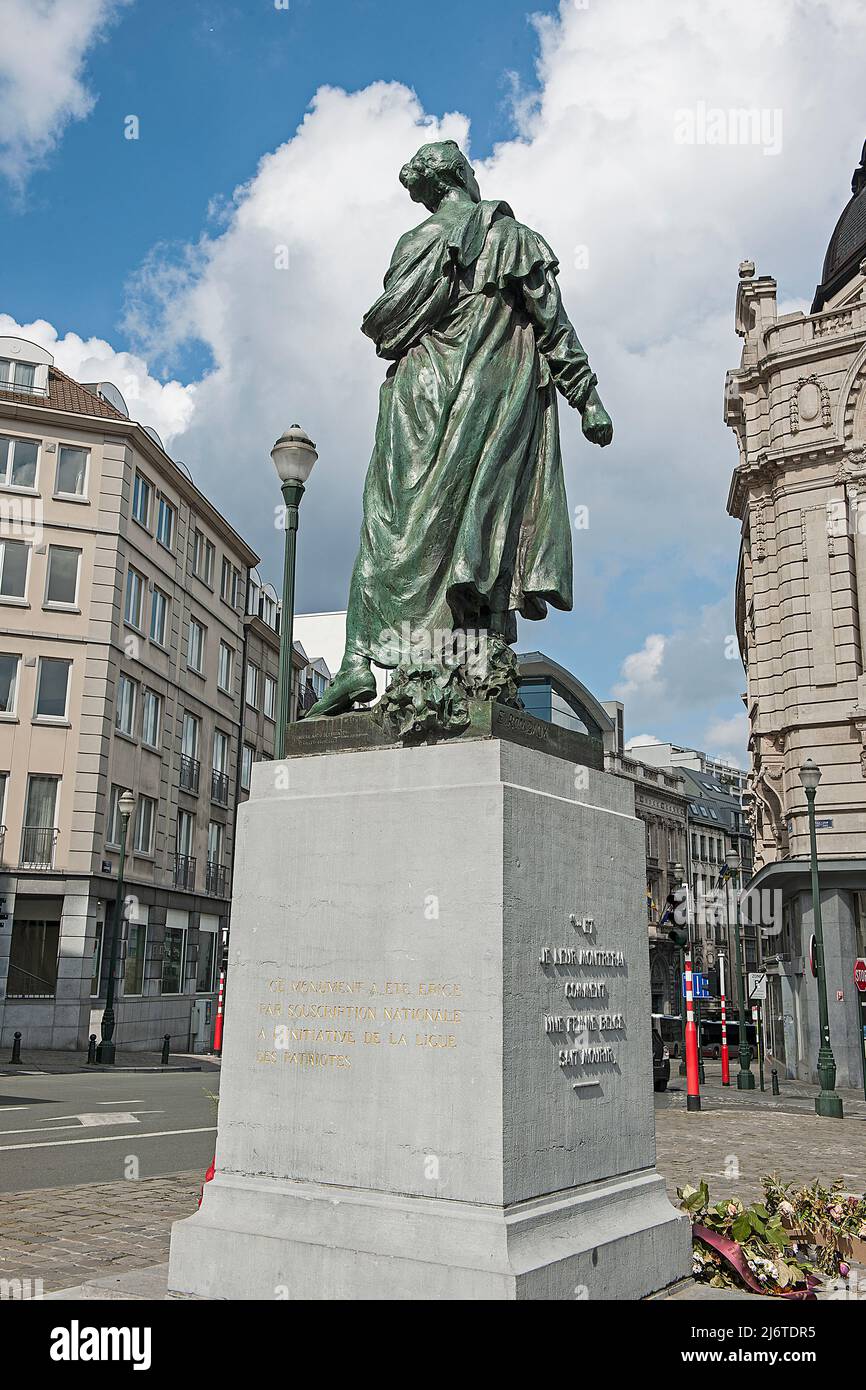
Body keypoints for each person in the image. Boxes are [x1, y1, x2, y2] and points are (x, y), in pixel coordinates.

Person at [307, 139, 612, 719]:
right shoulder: (509, 237)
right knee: (481, 525)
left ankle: (359, 663)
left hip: (415, 396)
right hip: (483, 392)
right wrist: (587, 398)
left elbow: (384, 329)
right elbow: (552, 321)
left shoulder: (411, 245)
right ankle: (468, 658)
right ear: (462, 177)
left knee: (387, 527)